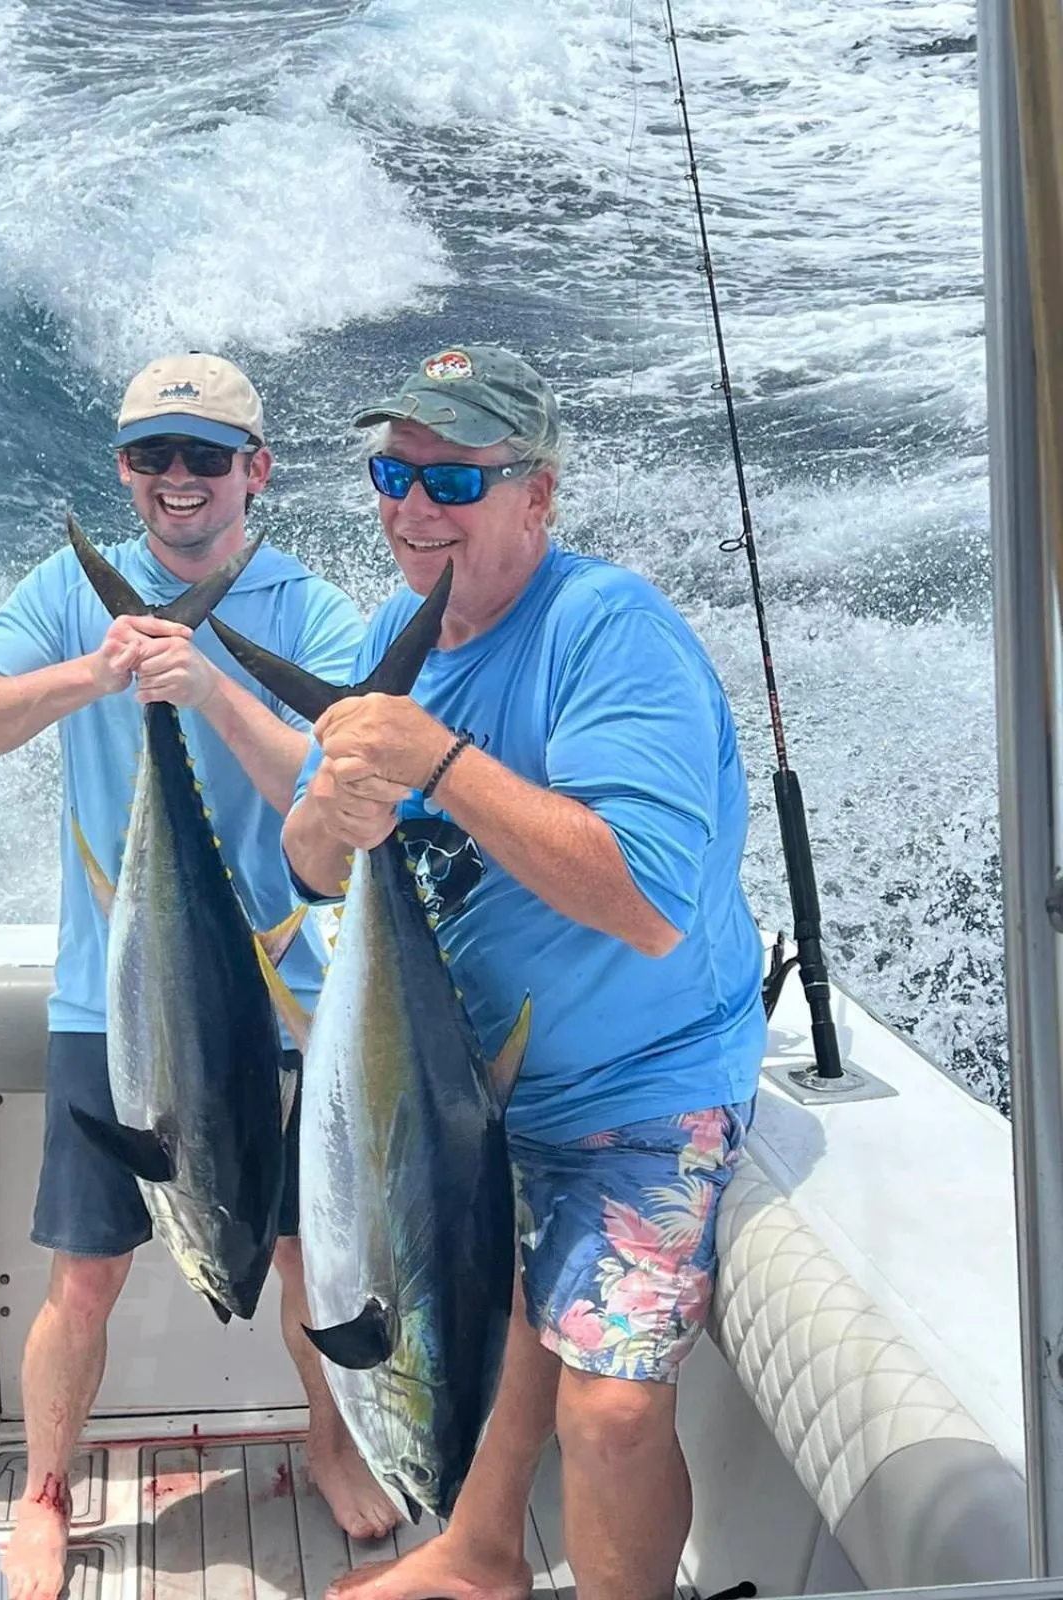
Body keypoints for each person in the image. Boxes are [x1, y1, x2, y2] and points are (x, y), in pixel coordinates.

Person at [279, 345, 767, 1600]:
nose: (412, 506)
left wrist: (436, 762)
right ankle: (482, 1552)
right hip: (468, 1089)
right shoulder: (399, 633)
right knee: (486, 1328)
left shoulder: (610, 632)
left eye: (454, 478)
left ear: (538, 494)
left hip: (638, 1093)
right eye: (394, 473)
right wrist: (337, 812)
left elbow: (651, 900)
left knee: (607, 1410)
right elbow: (312, 870)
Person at [0, 353, 399, 1600]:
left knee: (303, 1256)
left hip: (284, 995)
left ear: (257, 470)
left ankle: (330, 1439)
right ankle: (42, 1492)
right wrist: (98, 671)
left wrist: (209, 687)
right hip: (116, 1001)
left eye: (204, 456)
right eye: (151, 456)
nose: (177, 481)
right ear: (126, 469)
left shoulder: (309, 608)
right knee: (85, 1271)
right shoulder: (67, 598)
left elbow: (353, 783)